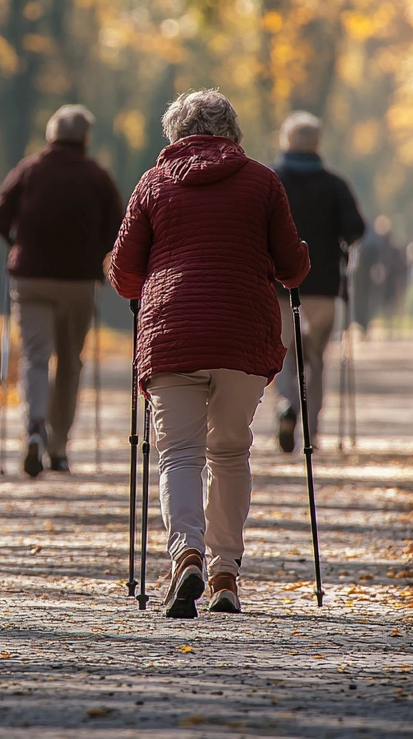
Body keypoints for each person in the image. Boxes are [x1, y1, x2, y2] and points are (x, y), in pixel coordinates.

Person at [109, 89, 309, 619]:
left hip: (171, 332)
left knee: (178, 452)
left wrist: (135, 277)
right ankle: (224, 573)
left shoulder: (154, 183)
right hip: (242, 334)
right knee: (229, 451)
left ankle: (186, 557)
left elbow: (126, 270)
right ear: (233, 132)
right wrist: (300, 257)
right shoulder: (264, 181)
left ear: (175, 133)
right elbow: (292, 268)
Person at [0, 104, 124, 477]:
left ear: (51, 135)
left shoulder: (30, 169)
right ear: (84, 138)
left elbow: (0, 212)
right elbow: (119, 227)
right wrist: (98, 253)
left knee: (34, 356)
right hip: (78, 282)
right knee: (69, 362)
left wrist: (16, 242)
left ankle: (34, 425)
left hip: (30, 277)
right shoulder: (97, 176)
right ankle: (59, 447)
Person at [271, 112, 365, 453]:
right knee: (315, 356)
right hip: (323, 284)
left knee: (282, 354)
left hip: (279, 285)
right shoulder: (334, 184)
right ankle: (311, 429)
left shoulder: (271, 179)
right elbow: (355, 229)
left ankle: (287, 405)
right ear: (317, 144)